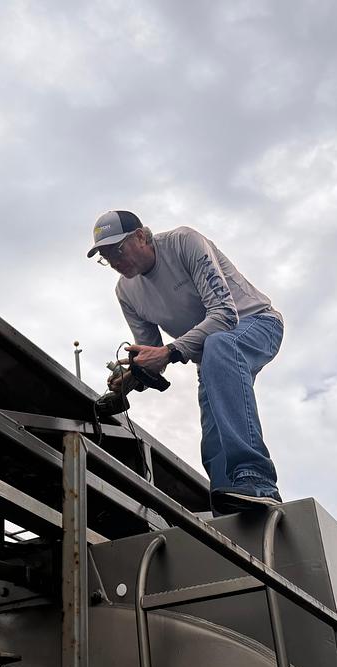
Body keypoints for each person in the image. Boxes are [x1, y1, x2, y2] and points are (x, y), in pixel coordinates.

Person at [87, 209, 285, 514]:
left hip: (257, 323)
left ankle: (258, 481)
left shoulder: (183, 243)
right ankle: (230, 506)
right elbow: (152, 353)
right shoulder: (125, 292)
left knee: (219, 344)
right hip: (210, 355)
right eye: (105, 257)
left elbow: (224, 315)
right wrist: (131, 379)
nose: (113, 261)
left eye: (117, 250)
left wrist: (168, 352)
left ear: (140, 236)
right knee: (213, 430)